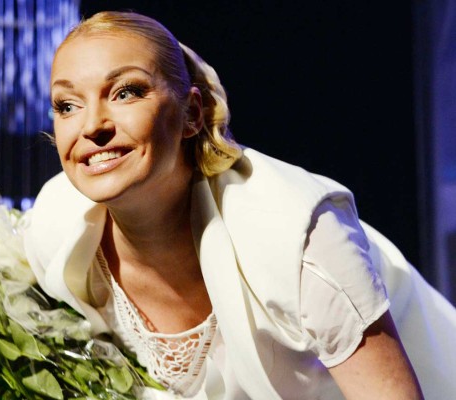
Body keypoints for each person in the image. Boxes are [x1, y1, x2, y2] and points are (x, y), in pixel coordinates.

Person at [24, 11, 456, 399]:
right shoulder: (55, 225)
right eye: (67, 105)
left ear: (192, 113)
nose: (92, 126)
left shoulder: (296, 235)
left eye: (126, 92)